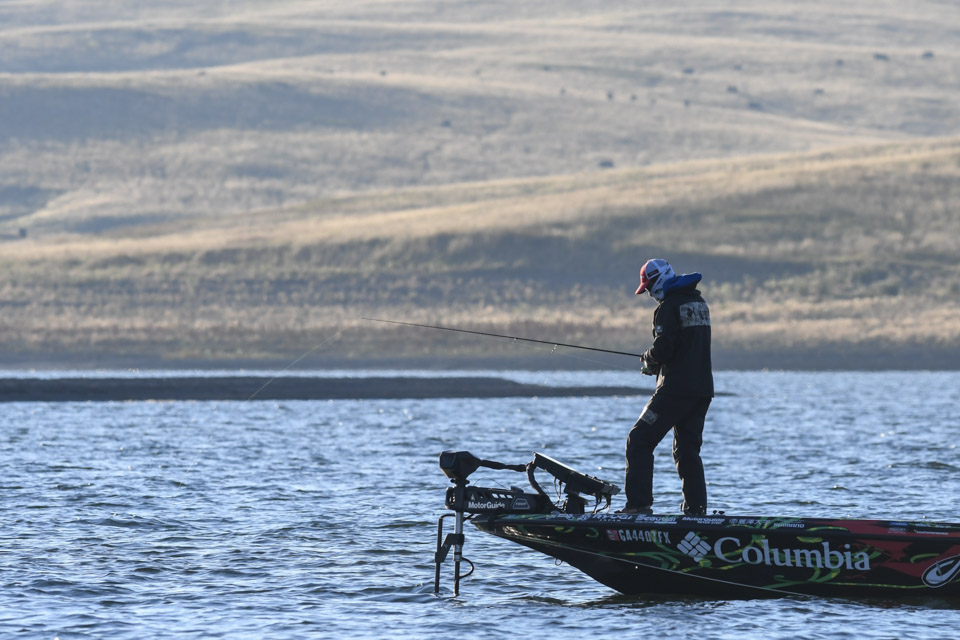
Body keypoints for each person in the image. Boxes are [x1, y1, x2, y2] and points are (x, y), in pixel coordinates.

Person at [621, 258, 714, 516]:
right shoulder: (698, 302)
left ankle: (638, 506)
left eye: (649, 289)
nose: (650, 295)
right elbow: (685, 347)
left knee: (639, 440)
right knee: (688, 452)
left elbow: (664, 349)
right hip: (702, 390)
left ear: (658, 282)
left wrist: (648, 359)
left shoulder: (668, 306)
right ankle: (696, 512)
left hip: (675, 390)